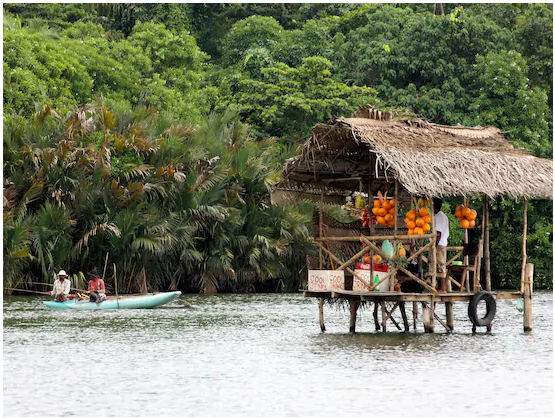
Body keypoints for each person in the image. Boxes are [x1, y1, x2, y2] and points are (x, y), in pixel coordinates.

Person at [429, 197, 450, 293]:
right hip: (439, 244)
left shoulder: (439, 217)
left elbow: (438, 233)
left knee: (440, 265)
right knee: (435, 264)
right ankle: (436, 286)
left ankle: (442, 288)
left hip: (439, 244)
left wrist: (435, 245)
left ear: (435, 205)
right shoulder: (442, 216)